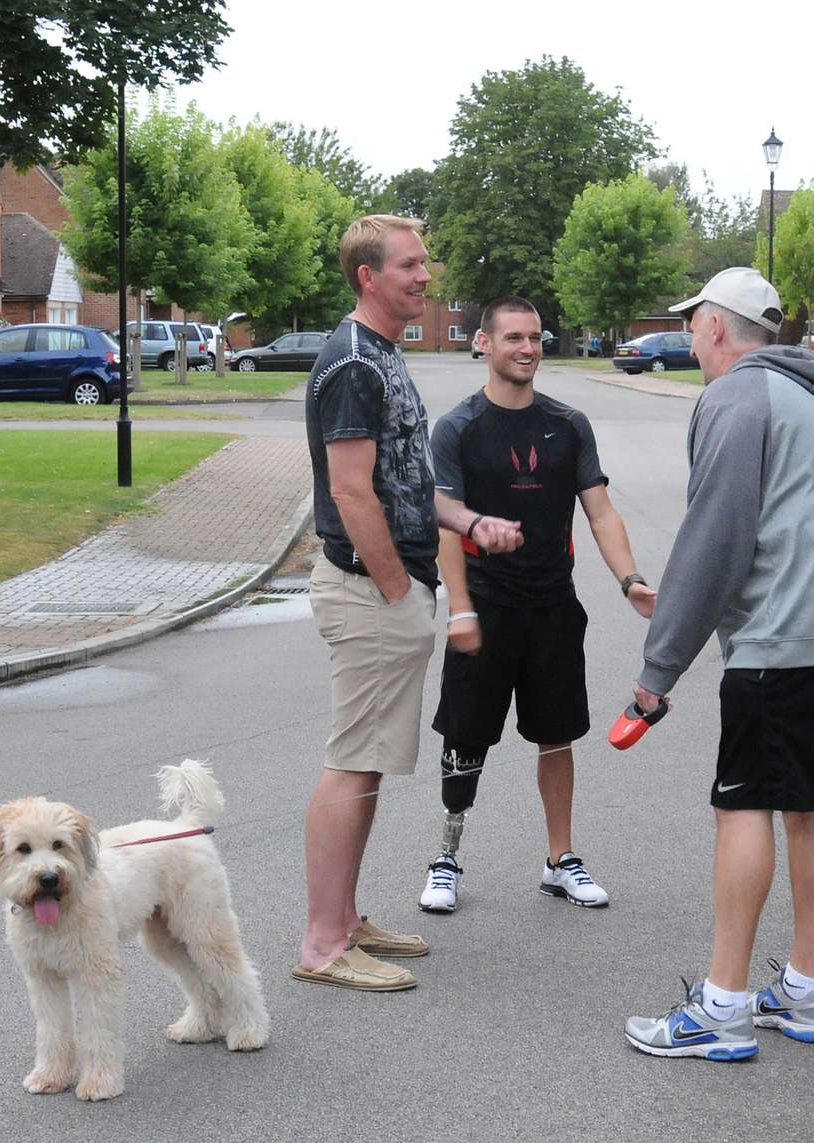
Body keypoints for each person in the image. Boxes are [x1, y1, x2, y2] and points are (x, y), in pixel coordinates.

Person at [622, 268, 814, 1060]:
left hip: (787, 638)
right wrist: (686, 603)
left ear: (717, 326)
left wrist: (658, 670)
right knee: (813, 807)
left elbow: (717, 533)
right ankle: (806, 991)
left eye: (694, 325)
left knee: (742, 805)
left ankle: (722, 1004)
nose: (690, 339)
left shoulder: (736, 397)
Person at [297, 214, 521, 992]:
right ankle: (324, 942)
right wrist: (398, 589)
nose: (427, 276)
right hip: (369, 591)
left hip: (387, 588)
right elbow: (352, 490)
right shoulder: (355, 363)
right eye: (410, 265)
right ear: (368, 276)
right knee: (352, 763)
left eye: (426, 262)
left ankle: (345, 917)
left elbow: (407, 482)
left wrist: (469, 521)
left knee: (369, 766)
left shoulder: (381, 355)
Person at [419, 296, 656, 915]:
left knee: (556, 737)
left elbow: (599, 510)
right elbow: (447, 526)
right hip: (487, 607)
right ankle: (446, 858)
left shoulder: (568, 424)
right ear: (484, 344)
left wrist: (629, 579)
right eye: (514, 338)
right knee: (465, 740)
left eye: (535, 338)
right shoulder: (458, 429)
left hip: (552, 606)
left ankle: (560, 860)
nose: (527, 348)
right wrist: (461, 608)